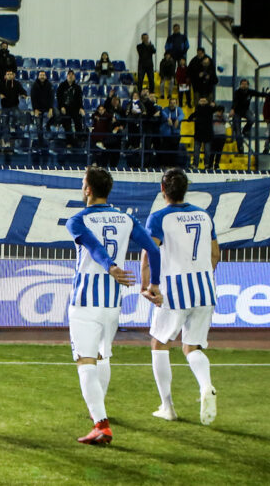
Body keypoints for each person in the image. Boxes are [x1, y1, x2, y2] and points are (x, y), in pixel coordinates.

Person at [64, 167, 162, 445]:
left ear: (88, 189)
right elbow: (154, 250)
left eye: (83, 183)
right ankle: (100, 411)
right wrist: (153, 284)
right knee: (104, 355)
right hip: (112, 303)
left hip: (85, 301)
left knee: (85, 360)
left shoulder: (77, 219)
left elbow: (93, 245)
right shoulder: (126, 219)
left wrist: (110, 266)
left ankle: (101, 424)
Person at [143, 168, 220, 425]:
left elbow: (149, 253)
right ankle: (206, 385)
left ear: (163, 190)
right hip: (205, 288)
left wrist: (148, 285)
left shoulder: (159, 218)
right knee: (192, 346)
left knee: (159, 343)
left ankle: (168, 407)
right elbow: (215, 254)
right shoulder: (204, 215)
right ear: (185, 189)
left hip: (174, 291)